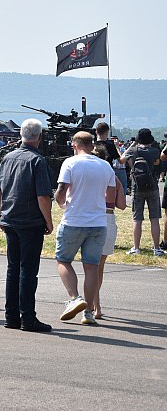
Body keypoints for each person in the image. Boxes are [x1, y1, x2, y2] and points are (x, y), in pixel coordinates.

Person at [0, 118, 55, 333]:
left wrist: (1, 214)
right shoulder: (37, 161)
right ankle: (27, 317)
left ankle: (11, 316)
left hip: (10, 218)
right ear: (38, 137)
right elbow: (43, 197)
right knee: (28, 271)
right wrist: (48, 221)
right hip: (30, 221)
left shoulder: (7, 158)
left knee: (13, 269)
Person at [53, 131, 117, 326]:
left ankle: (74, 298)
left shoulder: (70, 163)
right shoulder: (105, 166)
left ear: (74, 145)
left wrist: (61, 203)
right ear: (92, 145)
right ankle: (88, 312)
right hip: (98, 222)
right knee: (91, 267)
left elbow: (62, 191)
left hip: (74, 220)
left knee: (63, 260)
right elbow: (111, 196)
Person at [93, 143, 126, 319]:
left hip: (91, 216)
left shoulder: (86, 173)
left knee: (91, 265)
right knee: (99, 266)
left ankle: (92, 304)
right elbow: (121, 205)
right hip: (108, 217)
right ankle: (96, 306)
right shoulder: (112, 176)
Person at [120, 128, 163, 255]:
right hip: (153, 186)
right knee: (154, 218)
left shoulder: (133, 150)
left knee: (137, 219)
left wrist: (132, 145)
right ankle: (156, 248)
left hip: (137, 187)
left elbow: (121, 160)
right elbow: (158, 165)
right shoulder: (155, 151)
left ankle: (136, 248)